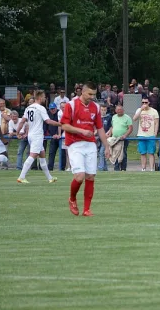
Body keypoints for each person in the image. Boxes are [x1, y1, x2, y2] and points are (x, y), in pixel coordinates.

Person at [61, 81, 110, 217]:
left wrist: (106, 146)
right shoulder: (71, 105)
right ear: (82, 92)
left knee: (90, 176)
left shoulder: (96, 107)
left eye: (94, 94)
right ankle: (72, 198)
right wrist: (81, 131)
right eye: (89, 94)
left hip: (90, 144)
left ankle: (87, 209)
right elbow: (64, 125)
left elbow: (100, 128)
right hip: (75, 143)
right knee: (80, 176)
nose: (91, 97)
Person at [15, 90, 62, 183]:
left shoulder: (28, 108)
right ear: (40, 97)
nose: (45, 98)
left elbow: (22, 121)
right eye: (44, 97)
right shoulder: (41, 108)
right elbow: (48, 121)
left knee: (42, 157)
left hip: (31, 135)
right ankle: (21, 176)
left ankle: (50, 178)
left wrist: (17, 132)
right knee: (32, 156)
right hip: (37, 135)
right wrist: (60, 124)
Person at [133, 97, 159, 172]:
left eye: (146, 102)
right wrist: (141, 109)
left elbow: (156, 123)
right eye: (143, 102)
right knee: (143, 153)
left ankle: (151, 169)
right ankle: (143, 168)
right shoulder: (139, 110)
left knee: (151, 153)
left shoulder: (154, 111)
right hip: (141, 134)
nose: (144, 104)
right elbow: (134, 119)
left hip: (151, 134)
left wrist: (155, 133)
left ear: (149, 103)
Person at [107, 105, 133, 171]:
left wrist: (125, 135)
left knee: (123, 154)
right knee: (115, 154)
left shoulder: (127, 118)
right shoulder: (114, 117)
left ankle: (123, 168)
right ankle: (116, 168)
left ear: (123, 110)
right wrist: (109, 133)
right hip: (115, 139)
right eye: (118, 110)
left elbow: (130, 128)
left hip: (123, 139)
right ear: (115, 110)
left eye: (120, 109)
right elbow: (112, 127)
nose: (119, 111)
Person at [45, 102, 62, 171]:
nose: (53, 110)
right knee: (51, 153)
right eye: (51, 109)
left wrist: (58, 134)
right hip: (52, 137)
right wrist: (49, 134)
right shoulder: (47, 115)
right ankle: (50, 168)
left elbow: (61, 125)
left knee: (63, 153)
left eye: (54, 108)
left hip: (60, 136)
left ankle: (62, 168)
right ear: (49, 109)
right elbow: (46, 125)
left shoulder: (59, 113)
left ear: (56, 108)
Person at [97, 104, 112, 171]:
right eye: (102, 110)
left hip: (105, 137)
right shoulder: (97, 117)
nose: (103, 111)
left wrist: (109, 133)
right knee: (100, 152)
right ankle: (105, 168)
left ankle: (100, 167)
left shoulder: (109, 117)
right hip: (98, 137)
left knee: (101, 152)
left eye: (104, 110)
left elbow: (111, 127)